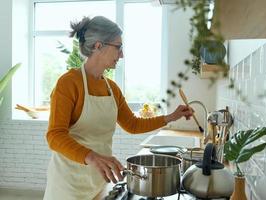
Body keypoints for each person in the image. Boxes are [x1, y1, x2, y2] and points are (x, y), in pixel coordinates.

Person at [43, 16, 193, 200]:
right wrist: (92, 157)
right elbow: (54, 135)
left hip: (99, 181)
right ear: (98, 46)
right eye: (118, 47)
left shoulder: (111, 88)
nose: (121, 54)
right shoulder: (68, 84)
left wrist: (171, 117)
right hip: (68, 185)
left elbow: (132, 124)